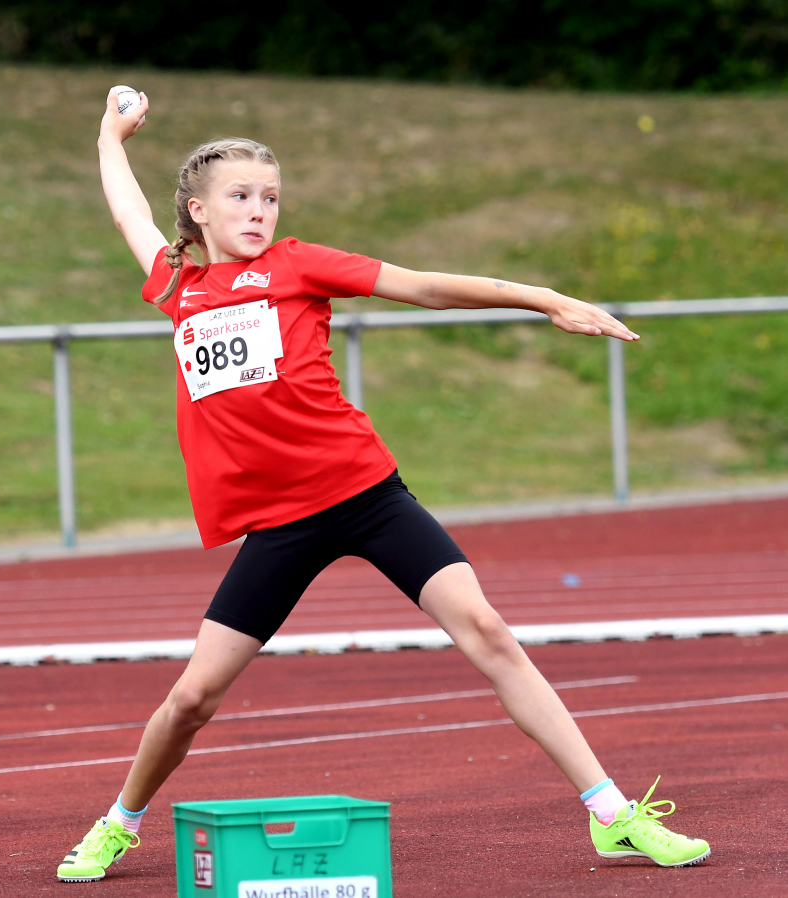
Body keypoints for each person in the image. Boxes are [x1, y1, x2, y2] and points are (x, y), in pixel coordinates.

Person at [56, 88, 710, 882]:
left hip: (365, 493)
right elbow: (129, 213)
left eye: (270, 197)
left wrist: (544, 299)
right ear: (197, 211)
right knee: (192, 700)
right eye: (240, 196)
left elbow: (425, 285)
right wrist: (110, 136)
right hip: (280, 524)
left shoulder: (299, 264)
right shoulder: (176, 285)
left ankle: (613, 815)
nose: (259, 210)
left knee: (488, 631)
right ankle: (118, 822)